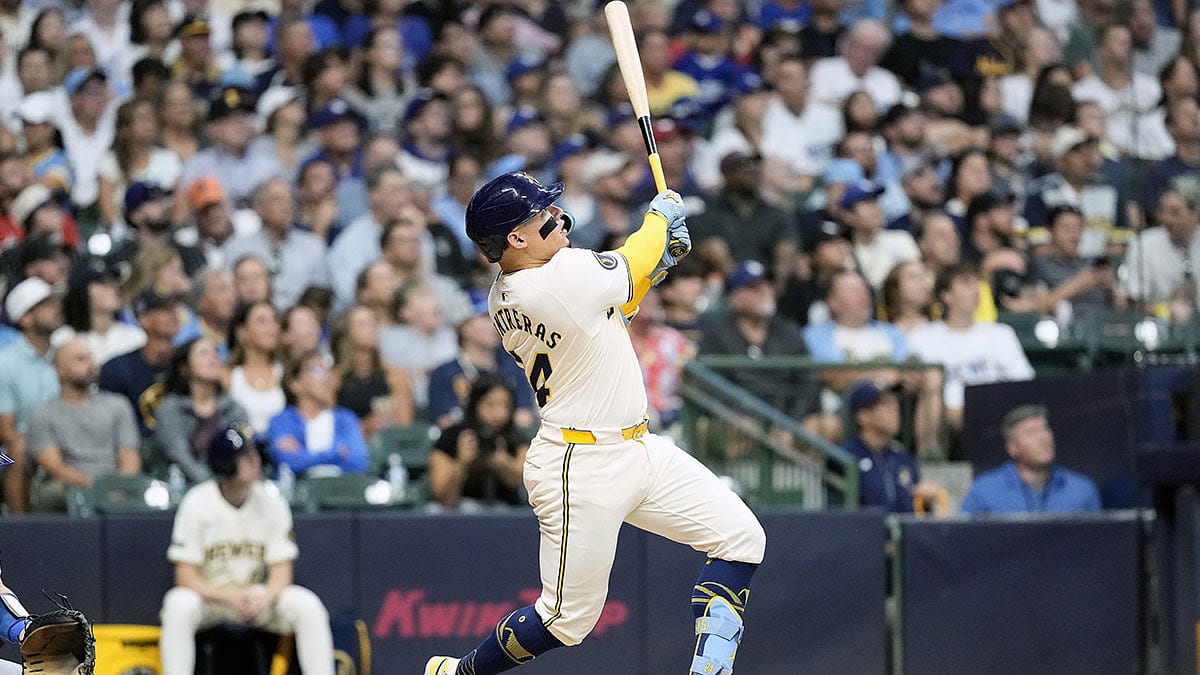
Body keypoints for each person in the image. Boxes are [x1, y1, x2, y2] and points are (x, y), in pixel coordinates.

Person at [423, 173, 765, 675]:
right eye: (545, 216)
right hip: (580, 463)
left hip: (638, 447)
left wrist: (655, 266)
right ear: (516, 238)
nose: (560, 219)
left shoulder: (513, 291)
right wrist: (658, 219)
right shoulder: (556, 276)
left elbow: (612, 308)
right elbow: (626, 265)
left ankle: (711, 670)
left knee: (741, 536)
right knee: (566, 621)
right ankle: (460, 673)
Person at [159, 422, 335, 675]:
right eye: (245, 455)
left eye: (255, 453)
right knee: (177, 604)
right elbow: (185, 577)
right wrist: (227, 596)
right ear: (225, 464)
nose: (255, 460)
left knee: (308, 605)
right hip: (214, 599)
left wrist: (266, 596)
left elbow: (282, 571)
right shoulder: (197, 502)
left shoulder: (272, 500)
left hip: (259, 598)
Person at [907, 263, 1035, 429]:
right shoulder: (922, 337)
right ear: (946, 295)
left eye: (977, 283)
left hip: (998, 416)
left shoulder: (1001, 334)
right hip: (947, 423)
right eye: (966, 283)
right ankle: (931, 455)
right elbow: (910, 383)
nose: (976, 290)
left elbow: (1023, 380)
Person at [26, 338, 141, 511]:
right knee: (52, 494)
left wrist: (117, 487)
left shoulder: (118, 405)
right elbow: (54, 467)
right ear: (60, 370)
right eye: (80, 359)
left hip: (116, 484)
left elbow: (131, 459)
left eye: (90, 358)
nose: (91, 365)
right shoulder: (43, 415)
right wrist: (94, 489)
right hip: (68, 486)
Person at [960, 405, 1102, 513]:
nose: (1043, 438)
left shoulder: (1081, 489)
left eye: (1045, 429)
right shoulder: (984, 491)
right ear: (1012, 447)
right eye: (1031, 432)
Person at [0, 278, 65, 513]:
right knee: (16, 449)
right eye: (45, 304)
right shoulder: (6, 362)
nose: (56, 306)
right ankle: (21, 526)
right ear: (25, 318)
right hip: (14, 449)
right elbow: (5, 429)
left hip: (67, 439)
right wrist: (39, 445)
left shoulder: (67, 354)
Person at [154, 337, 250, 484]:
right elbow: (179, 455)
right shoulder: (170, 409)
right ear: (185, 367)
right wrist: (210, 485)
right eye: (204, 353)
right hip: (182, 486)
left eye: (216, 353)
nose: (213, 358)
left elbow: (244, 450)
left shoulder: (234, 408)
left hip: (229, 488)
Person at [428, 374, 528, 509]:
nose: (499, 413)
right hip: (460, 512)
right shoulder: (452, 436)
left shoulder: (516, 438)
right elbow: (442, 497)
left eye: (505, 406)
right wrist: (461, 463)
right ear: (475, 405)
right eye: (490, 405)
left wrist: (502, 461)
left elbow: (524, 482)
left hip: (506, 512)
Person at [842, 380, 943, 513]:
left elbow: (914, 516)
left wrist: (926, 504)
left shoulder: (903, 460)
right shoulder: (846, 458)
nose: (895, 409)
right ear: (863, 416)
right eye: (885, 404)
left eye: (895, 402)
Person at [267, 352, 369, 478]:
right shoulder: (282, 421)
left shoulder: (345, 419)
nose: (326, 376)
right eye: (316, 370)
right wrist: (337, 453)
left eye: (328, 370)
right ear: (295, 384)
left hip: (341, 493)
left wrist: (304, 454)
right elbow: (288, 462)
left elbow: (358, 463)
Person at [98, 287, 180, 437]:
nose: (173, 315)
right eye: (163, 310)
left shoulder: (187, 363)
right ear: (143, 319)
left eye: (174, 308)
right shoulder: (117, 369)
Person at [226, 300, 285, 435]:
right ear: (242, 332)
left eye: (274, 320)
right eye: (262, 321)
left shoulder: (285, 372)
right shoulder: (228, 374)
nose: (272, 328)